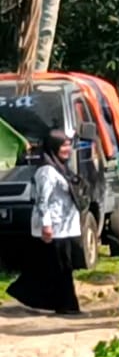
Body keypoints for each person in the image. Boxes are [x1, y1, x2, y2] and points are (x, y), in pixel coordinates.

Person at [6, 130, 86, 315]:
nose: (67, 149)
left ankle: (51, 301)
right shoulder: (47, 171)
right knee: (60, 268)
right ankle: (66, 306)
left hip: (63, 226)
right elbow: (43, 200)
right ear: (53, 147)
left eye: (68, 145)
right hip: (53, 228)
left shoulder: (61, 167)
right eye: (63, 145)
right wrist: (46, 225)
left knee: (53, 267)